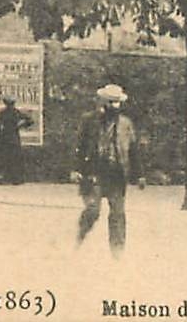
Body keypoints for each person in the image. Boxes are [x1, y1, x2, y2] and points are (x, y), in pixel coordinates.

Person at [75, 83, 142, 257]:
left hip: (117, 174)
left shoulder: (126, 124)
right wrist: (76, 169)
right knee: (93, 210)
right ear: (102, 102)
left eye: (116, 102)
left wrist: (139, 174)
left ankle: (117, 252)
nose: (113, 106)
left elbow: (133, 149)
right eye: (110, 102)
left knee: (118, 214)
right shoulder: (89, 120)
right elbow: (79, 147)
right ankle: (79, 236)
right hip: (94, 172)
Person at [0, 97, 34, 185]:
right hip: (13, 138)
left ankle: (4, 178)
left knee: (4, 158)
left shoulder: (3, 113)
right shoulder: (16, 112)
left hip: (5, 138)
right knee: (14, 158)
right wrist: (21, 125)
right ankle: (16, 179)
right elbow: (30, 120)